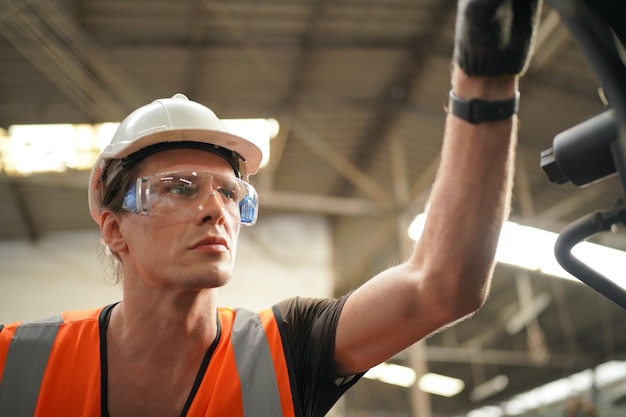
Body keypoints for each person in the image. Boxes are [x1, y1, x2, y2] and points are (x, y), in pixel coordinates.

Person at [0, 0, 542, 416]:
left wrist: (485, 79)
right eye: (181, 187)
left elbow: (442, 285)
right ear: (115, 229)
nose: (217, 210)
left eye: (230, 193)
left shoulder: (287, 347)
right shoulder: (16, 363)